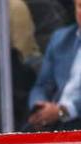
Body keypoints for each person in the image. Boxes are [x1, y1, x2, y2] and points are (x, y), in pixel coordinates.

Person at [26, 0, 81, 132]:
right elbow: (42, 85)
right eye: (80, 6)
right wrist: (39, 106)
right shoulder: (60, 39)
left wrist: (63, 111)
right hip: (54, 122)